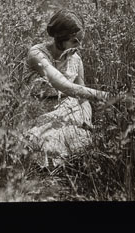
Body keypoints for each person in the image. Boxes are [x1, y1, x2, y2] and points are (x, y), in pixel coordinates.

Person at [21, 9, 111, 165]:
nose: (79, 46)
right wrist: (108, 96)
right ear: (59, 38)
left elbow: (82, 96)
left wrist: (86, 119)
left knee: (80, 138)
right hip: (39, 107)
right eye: (74, 41)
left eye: (81, 40)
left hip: (67, 107)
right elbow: (64, 86)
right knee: (41, 141)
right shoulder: (37, 54)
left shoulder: (76, 59)